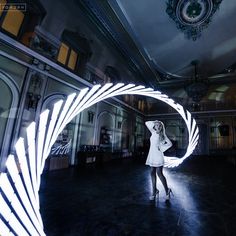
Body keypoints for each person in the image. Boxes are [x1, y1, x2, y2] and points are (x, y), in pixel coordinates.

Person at [145, 120, 173, 201]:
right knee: (152, 172)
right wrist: (155, 121)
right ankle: (154, 191)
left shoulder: (163, 135)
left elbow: (169, 143)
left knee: (159, 173)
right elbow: (147, 123)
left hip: (158, 155)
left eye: (158, 125)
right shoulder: (153, 132)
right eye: (156, 125)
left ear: (161, 127)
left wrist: (161, 148)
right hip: (152, 155)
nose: (157, 126)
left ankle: (167, 190)